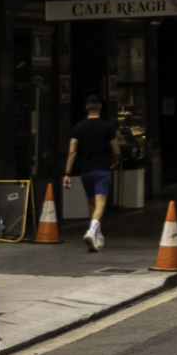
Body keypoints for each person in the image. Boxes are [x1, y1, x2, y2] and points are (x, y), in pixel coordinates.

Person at [64, 98, 119, 251]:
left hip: (85, 171)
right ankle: (91, 231)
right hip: (102, 170)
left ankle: (98, 236)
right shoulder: (108, 127)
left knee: (91, 203)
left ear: (86, 107)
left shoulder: (78, 128)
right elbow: (116, 150)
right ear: (100, 107)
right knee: (101, 204)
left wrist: (67, 173)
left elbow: (72, 151)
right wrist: (115, 161)